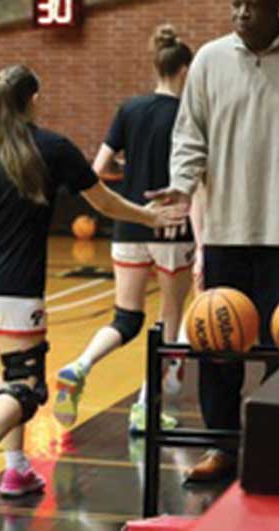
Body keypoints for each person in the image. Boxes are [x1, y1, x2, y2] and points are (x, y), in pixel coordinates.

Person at [0, 65, 184, 509]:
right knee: (29, 386)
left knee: (10, 374)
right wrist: (151, 217)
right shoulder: (53, 147)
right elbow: (103, 201)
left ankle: (16, 469)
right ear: (34, 99)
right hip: (14, 290)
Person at [152, 0, 279, 482]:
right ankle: (222, 447)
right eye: (233, 3)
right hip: (225, 234)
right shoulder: (211, 62)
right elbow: (189, 135)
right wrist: (182, 183)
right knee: (218, 349)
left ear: (276, 6)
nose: (240, 13)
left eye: (250, 4)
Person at [53, 25, 195, 433]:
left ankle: (79, 365)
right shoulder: (188, 114)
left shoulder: (128, 109)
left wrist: (127, 172)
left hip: (129, 224)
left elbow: (97, 168)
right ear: (184, 71)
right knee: (171, 319)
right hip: (171, 227)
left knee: (126, 319)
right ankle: (147, 406)